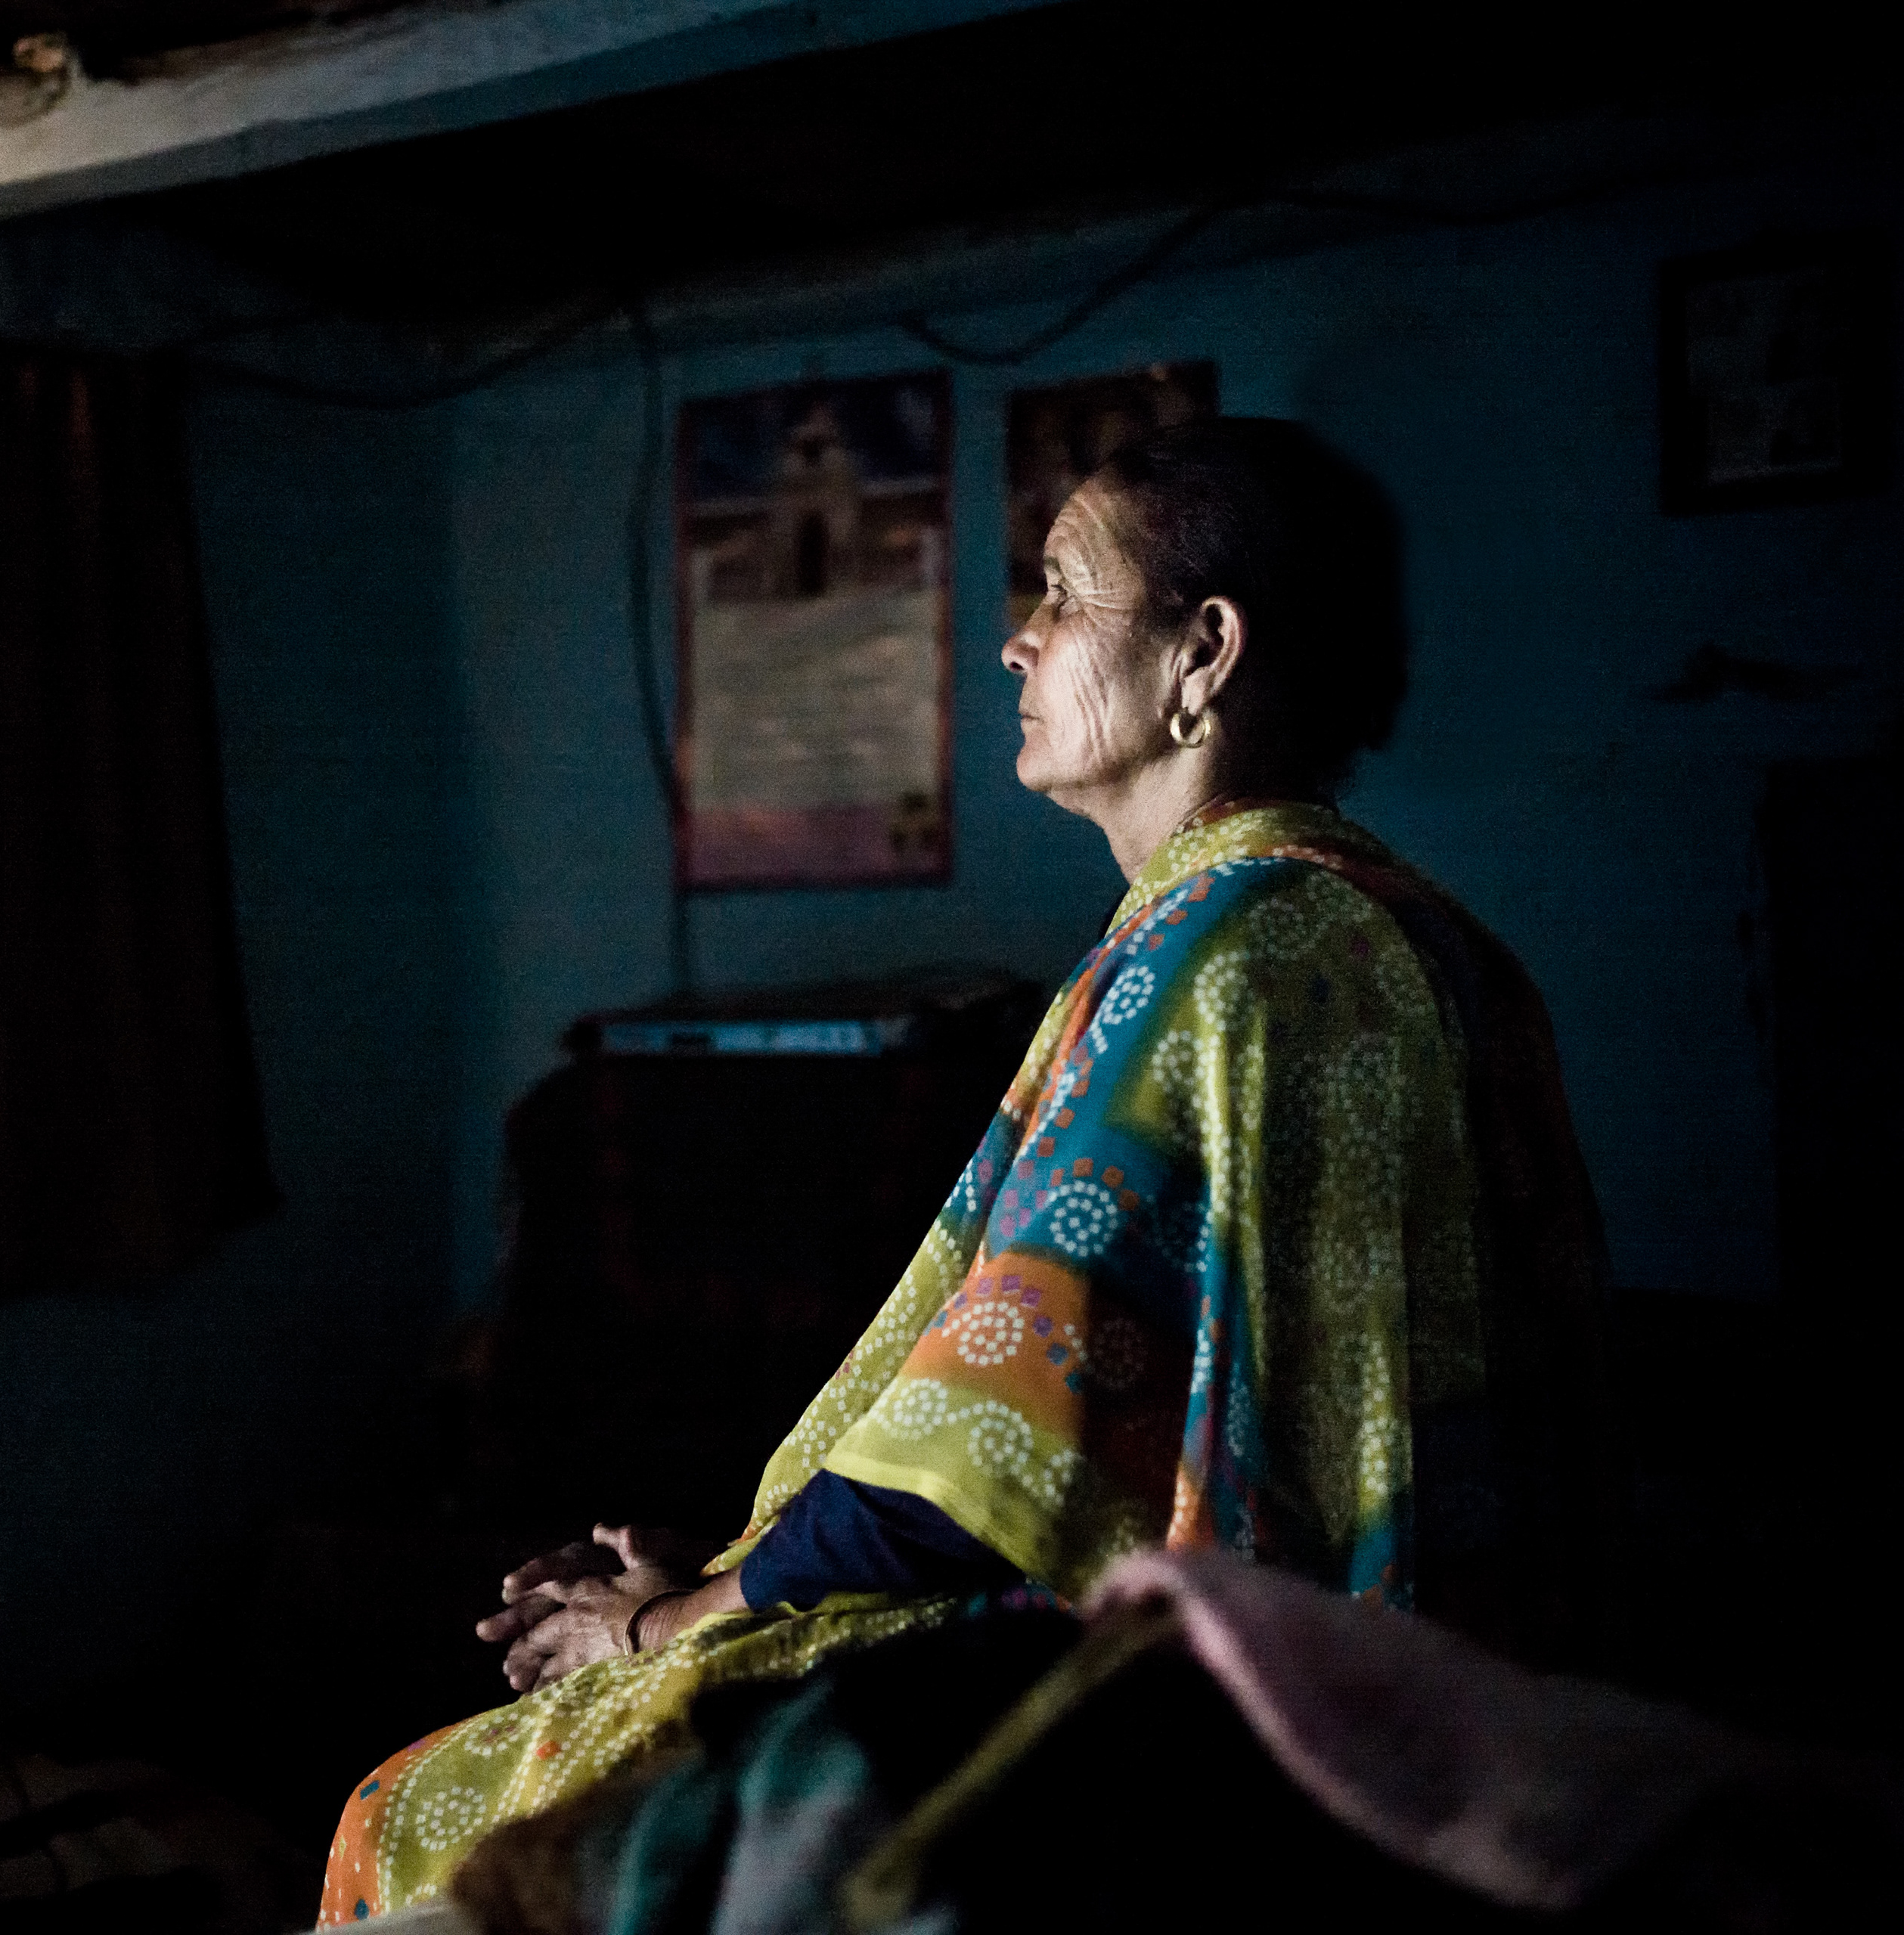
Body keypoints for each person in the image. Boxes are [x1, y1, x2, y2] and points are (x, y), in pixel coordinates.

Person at [321, 419, 1616, 1924]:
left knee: (416, 1810)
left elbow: (998, 1447)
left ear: (1203, 654)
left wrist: (668, 1621)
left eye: (1062, 591)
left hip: (1220, 1702)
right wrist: (751, 1565)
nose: (1017, 639)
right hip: (1447, 1680)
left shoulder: (1213, 956)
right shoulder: (1430, 940)